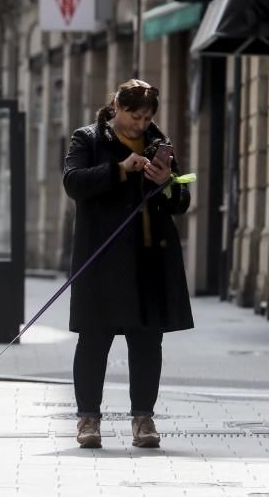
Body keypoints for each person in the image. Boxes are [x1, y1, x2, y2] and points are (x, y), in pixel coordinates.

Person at [62, 78, 193, 450]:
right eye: (134, 115)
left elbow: (181, 199)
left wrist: (167, 182)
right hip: (102, 258)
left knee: (148, 341)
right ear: (116, 106)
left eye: (147, 116)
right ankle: (88, 419)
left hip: (149, 259)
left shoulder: (159, 143)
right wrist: (120, 169)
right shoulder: (87, 139)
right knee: (94, 339)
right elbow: (73, 182)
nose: (140, 123)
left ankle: (143, 420)